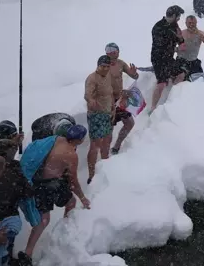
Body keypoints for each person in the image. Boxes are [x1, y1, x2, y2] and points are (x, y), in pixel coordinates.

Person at [20, 125, 89, 265]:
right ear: (80, 140)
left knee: (43, 220)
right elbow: (73, 182)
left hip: (35, 181)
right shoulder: (71, 155)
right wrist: (83, 198)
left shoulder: (56, 139)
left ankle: (27, 253)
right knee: (71, 202)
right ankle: (65, 230)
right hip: (49, 185)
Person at [0, 140, 32, 266]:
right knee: (5, 242)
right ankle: (5, 260)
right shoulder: (14, 167)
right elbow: (27, 192)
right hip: (8, 215)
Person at [105, 43, 139, 155]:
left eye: (113, 51)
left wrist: (134, 73)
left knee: (129, 123)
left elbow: (134, 76)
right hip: (108, 101)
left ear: (118, 52)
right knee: (108, 129)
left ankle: (117, 146)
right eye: (108, 51)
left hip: (120, 100)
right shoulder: (103, 64)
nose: (110, 53)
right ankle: (104, 154)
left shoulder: (121, 63)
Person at [150, 5, 186, 112]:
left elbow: (181, 43)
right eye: (178, 16)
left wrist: (180, 39)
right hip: (158, 58)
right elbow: (160, 45)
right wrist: (175, 46)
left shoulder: (174, 26)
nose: (179, 19)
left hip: (169, 58)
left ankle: (171, 99)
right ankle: (153, 108)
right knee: (161, 83)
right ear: (174, 15)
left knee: (181, 74)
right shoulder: (158, 26)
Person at [84, 55, 114, 184]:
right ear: (98, 65)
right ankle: (91, 175)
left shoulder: (108, 76)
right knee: (95, 144)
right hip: (96, 115)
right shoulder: (92, 78)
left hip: (108, 114)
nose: (106, 69)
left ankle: (106, 168)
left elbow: (110, 93)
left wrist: (113, 108)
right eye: (103, 66)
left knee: (107, 141)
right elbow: (87, 95)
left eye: (108, 66)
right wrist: (91, 101)